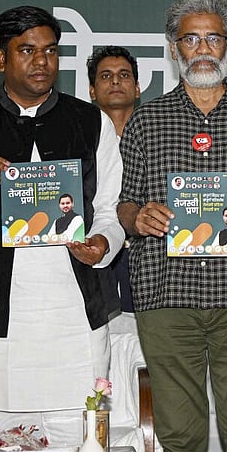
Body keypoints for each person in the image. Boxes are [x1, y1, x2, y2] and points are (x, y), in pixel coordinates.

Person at [0, 5, 123, 441]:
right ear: (0, 58)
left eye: (51, 51)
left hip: (73, 318)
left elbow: (111, 209)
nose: (42, 61)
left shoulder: (91, 122)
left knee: (79, 442)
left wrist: (103, 243)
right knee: (0, 444)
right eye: (27, 50)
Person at [117, 0, 227, 452]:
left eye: (214, 38)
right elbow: (124, 204)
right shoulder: (146, 120)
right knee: (179, 435)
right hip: (166, 292)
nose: (203, 49)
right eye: (191, 39)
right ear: (174, 47)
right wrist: (138, 217)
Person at [88, 46, 141, 313]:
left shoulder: (157, 142)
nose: (116, 81)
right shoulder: (77, 144)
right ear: (92, 91)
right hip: (94, 248)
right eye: (106, 76)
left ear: (137, 88)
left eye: (124, 75)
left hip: (145, 253)